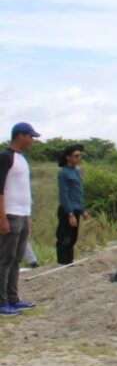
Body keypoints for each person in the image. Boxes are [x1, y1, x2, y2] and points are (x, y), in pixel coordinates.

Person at [0, 122, 40, 317]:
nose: (31, 140)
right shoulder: (5, 157)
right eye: (30, 136)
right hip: (10, 214)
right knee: (5, 259)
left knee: (16, 259)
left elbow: (25, 190)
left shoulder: (22, 159)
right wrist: (2, 217)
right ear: (20, 136)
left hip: (23, 215)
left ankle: (13, 298)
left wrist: (29, 216)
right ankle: (2, 302)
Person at [56, 144, 88, 265]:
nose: (78, 158)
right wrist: (70, 213)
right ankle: (62, 263)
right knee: (65, 238)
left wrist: (82, 210)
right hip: (67, 210)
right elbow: (64, 194)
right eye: (75, 156)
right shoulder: (64, 173)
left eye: (79, 156)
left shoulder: (75, 171)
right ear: (68, 157)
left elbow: (77, 193)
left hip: (76, 209)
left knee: (73, 238)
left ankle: (69, 262)